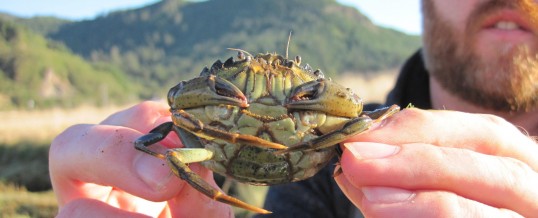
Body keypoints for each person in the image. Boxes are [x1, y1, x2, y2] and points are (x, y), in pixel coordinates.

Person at [49, 0, 538, 217]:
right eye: (244, 73)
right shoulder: (345, 168)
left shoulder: (351, 140)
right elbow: (175, 112)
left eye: (295, 84)